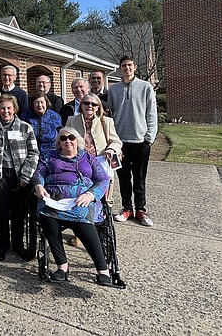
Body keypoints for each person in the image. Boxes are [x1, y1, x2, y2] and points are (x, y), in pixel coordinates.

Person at [32, 127, 113, 286]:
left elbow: (103, 180)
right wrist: (39, 186)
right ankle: (62, 266)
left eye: (71, 137)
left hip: (81, 199)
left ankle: (102, 269)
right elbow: (38, 174)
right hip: (55, 199)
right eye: (63, 138)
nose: (67, 141)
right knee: (47, 217)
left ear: (77, 140)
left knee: (82, 219)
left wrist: (90, 195)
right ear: (59, 143)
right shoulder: (50, 157)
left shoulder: (88, 158)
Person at [0, 94, 39, 261]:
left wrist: (26, 175)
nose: (5, 111)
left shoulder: (25, 128)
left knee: (18, 212)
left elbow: (34, 153)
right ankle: (2, 244)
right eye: (2, 108)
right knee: (1, 211)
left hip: (19, 175)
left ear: (14, 109)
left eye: (8, 108)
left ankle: (18, 244)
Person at [66, 92, 122, 246]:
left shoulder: (106, 121)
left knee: (102, 200)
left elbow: (116, 141)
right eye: (86, 103)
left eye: (93, 104)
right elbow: (65, 139)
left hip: (101, 166)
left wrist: (111, 149)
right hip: (79, 166)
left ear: (98, 107)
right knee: (81, 197)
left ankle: (100, 231)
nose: (89, 106)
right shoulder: (72, 120)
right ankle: (80, 232)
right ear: (81, 106)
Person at [109, 56, 158, 227]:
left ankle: (141, 210)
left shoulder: (145, 87)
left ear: (135, 67)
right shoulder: (114, 90)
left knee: (139, 178)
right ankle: (126, 208)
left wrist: (149, 138)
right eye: (124, 66)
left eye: (129, 65)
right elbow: (110, 115)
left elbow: (151, 113)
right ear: (120, 68)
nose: (127, 68)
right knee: (123, 178)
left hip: (140, 142)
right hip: (120, 143)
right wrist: (113, 141)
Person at [21, 91, 63, 163]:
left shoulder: (55, 116)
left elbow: (61, 133)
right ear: (33, 104)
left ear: (46, 103)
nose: (39, 105)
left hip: (52, 155)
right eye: (37, 102)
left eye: (42, 102)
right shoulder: (25, 116)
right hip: (31, 155)